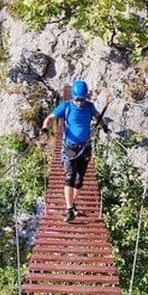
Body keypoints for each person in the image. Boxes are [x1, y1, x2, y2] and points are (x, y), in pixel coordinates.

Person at [42, 80, 110, 222]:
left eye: (82, 99)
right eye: (77, 99)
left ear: (86, 97)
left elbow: (98, 117)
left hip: (85, 148)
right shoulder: (66, 106)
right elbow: (50, 118)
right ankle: (69, 210)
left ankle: (71, 204)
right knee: (70, 177)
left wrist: (104, 127)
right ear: (73, 97)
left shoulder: (89, 107)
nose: (80, 102)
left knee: (79, 181)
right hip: (70, 148)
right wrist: (45, 128)